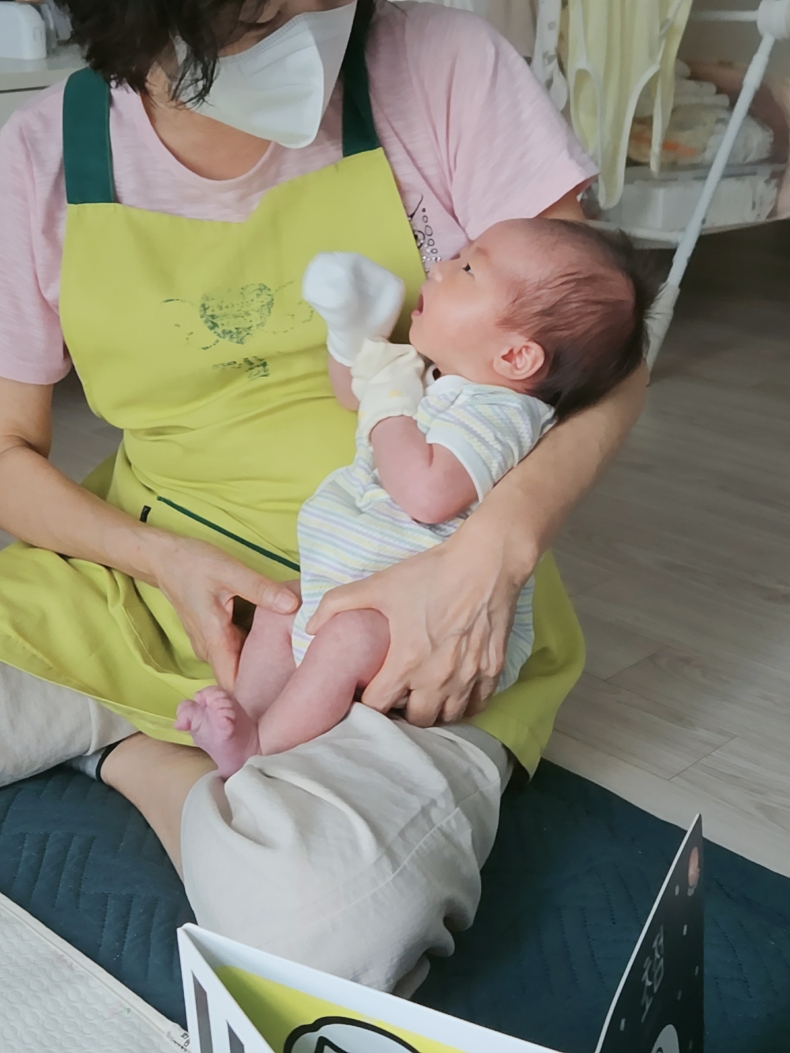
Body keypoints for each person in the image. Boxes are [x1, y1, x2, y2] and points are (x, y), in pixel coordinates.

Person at [0, 0, 647, 993]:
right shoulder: (41, 156)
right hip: (143, 571)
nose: (319, 26)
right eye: (268, 17)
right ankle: (179, 763)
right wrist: (158, 560)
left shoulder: (437, 63)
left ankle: (155, 759)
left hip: (405, 613)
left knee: (322, 928)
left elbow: (607, 360)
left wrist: (492, 553)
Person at [176, 219, 652, 775]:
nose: (439, 267)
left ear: (516, 358)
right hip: (359, 586)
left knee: (348, 638)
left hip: (418, 623)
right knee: (281, 608)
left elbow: (427, 494)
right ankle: (247, 714)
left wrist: (391, 404)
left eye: (468, 268)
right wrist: (353, 333)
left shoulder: (500, 414)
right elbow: (352, 393)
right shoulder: (440, 380)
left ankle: (262, 747)